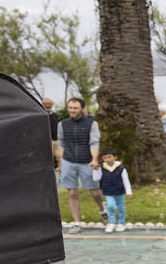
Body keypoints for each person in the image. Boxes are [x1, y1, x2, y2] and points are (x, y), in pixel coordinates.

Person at [54, 97, 104, 233]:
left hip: (86, 161)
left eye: (75, 108)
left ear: (81, 109)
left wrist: (94, 159)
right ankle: (77, 222)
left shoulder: (91, 123)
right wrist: (61, 162)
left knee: (94, 191)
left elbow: (94, 142)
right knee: (72, 192)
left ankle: (102, 209)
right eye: (70, 107)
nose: (72, 110)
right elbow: (61, 143)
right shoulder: (62, 124)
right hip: (69, 161)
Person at [97, 147, 133, 234]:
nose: (107, 159)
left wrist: (129, 192)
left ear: (115, 157)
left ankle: (121, 223)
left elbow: (126, 181)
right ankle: (112, 223)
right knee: (110, 206)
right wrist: (95, 170)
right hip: (108, 191)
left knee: (121, 207)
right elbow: (96, 178)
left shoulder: (121, 168)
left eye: (109, 157)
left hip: (119, 191)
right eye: (105, 158)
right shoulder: (101, 168)